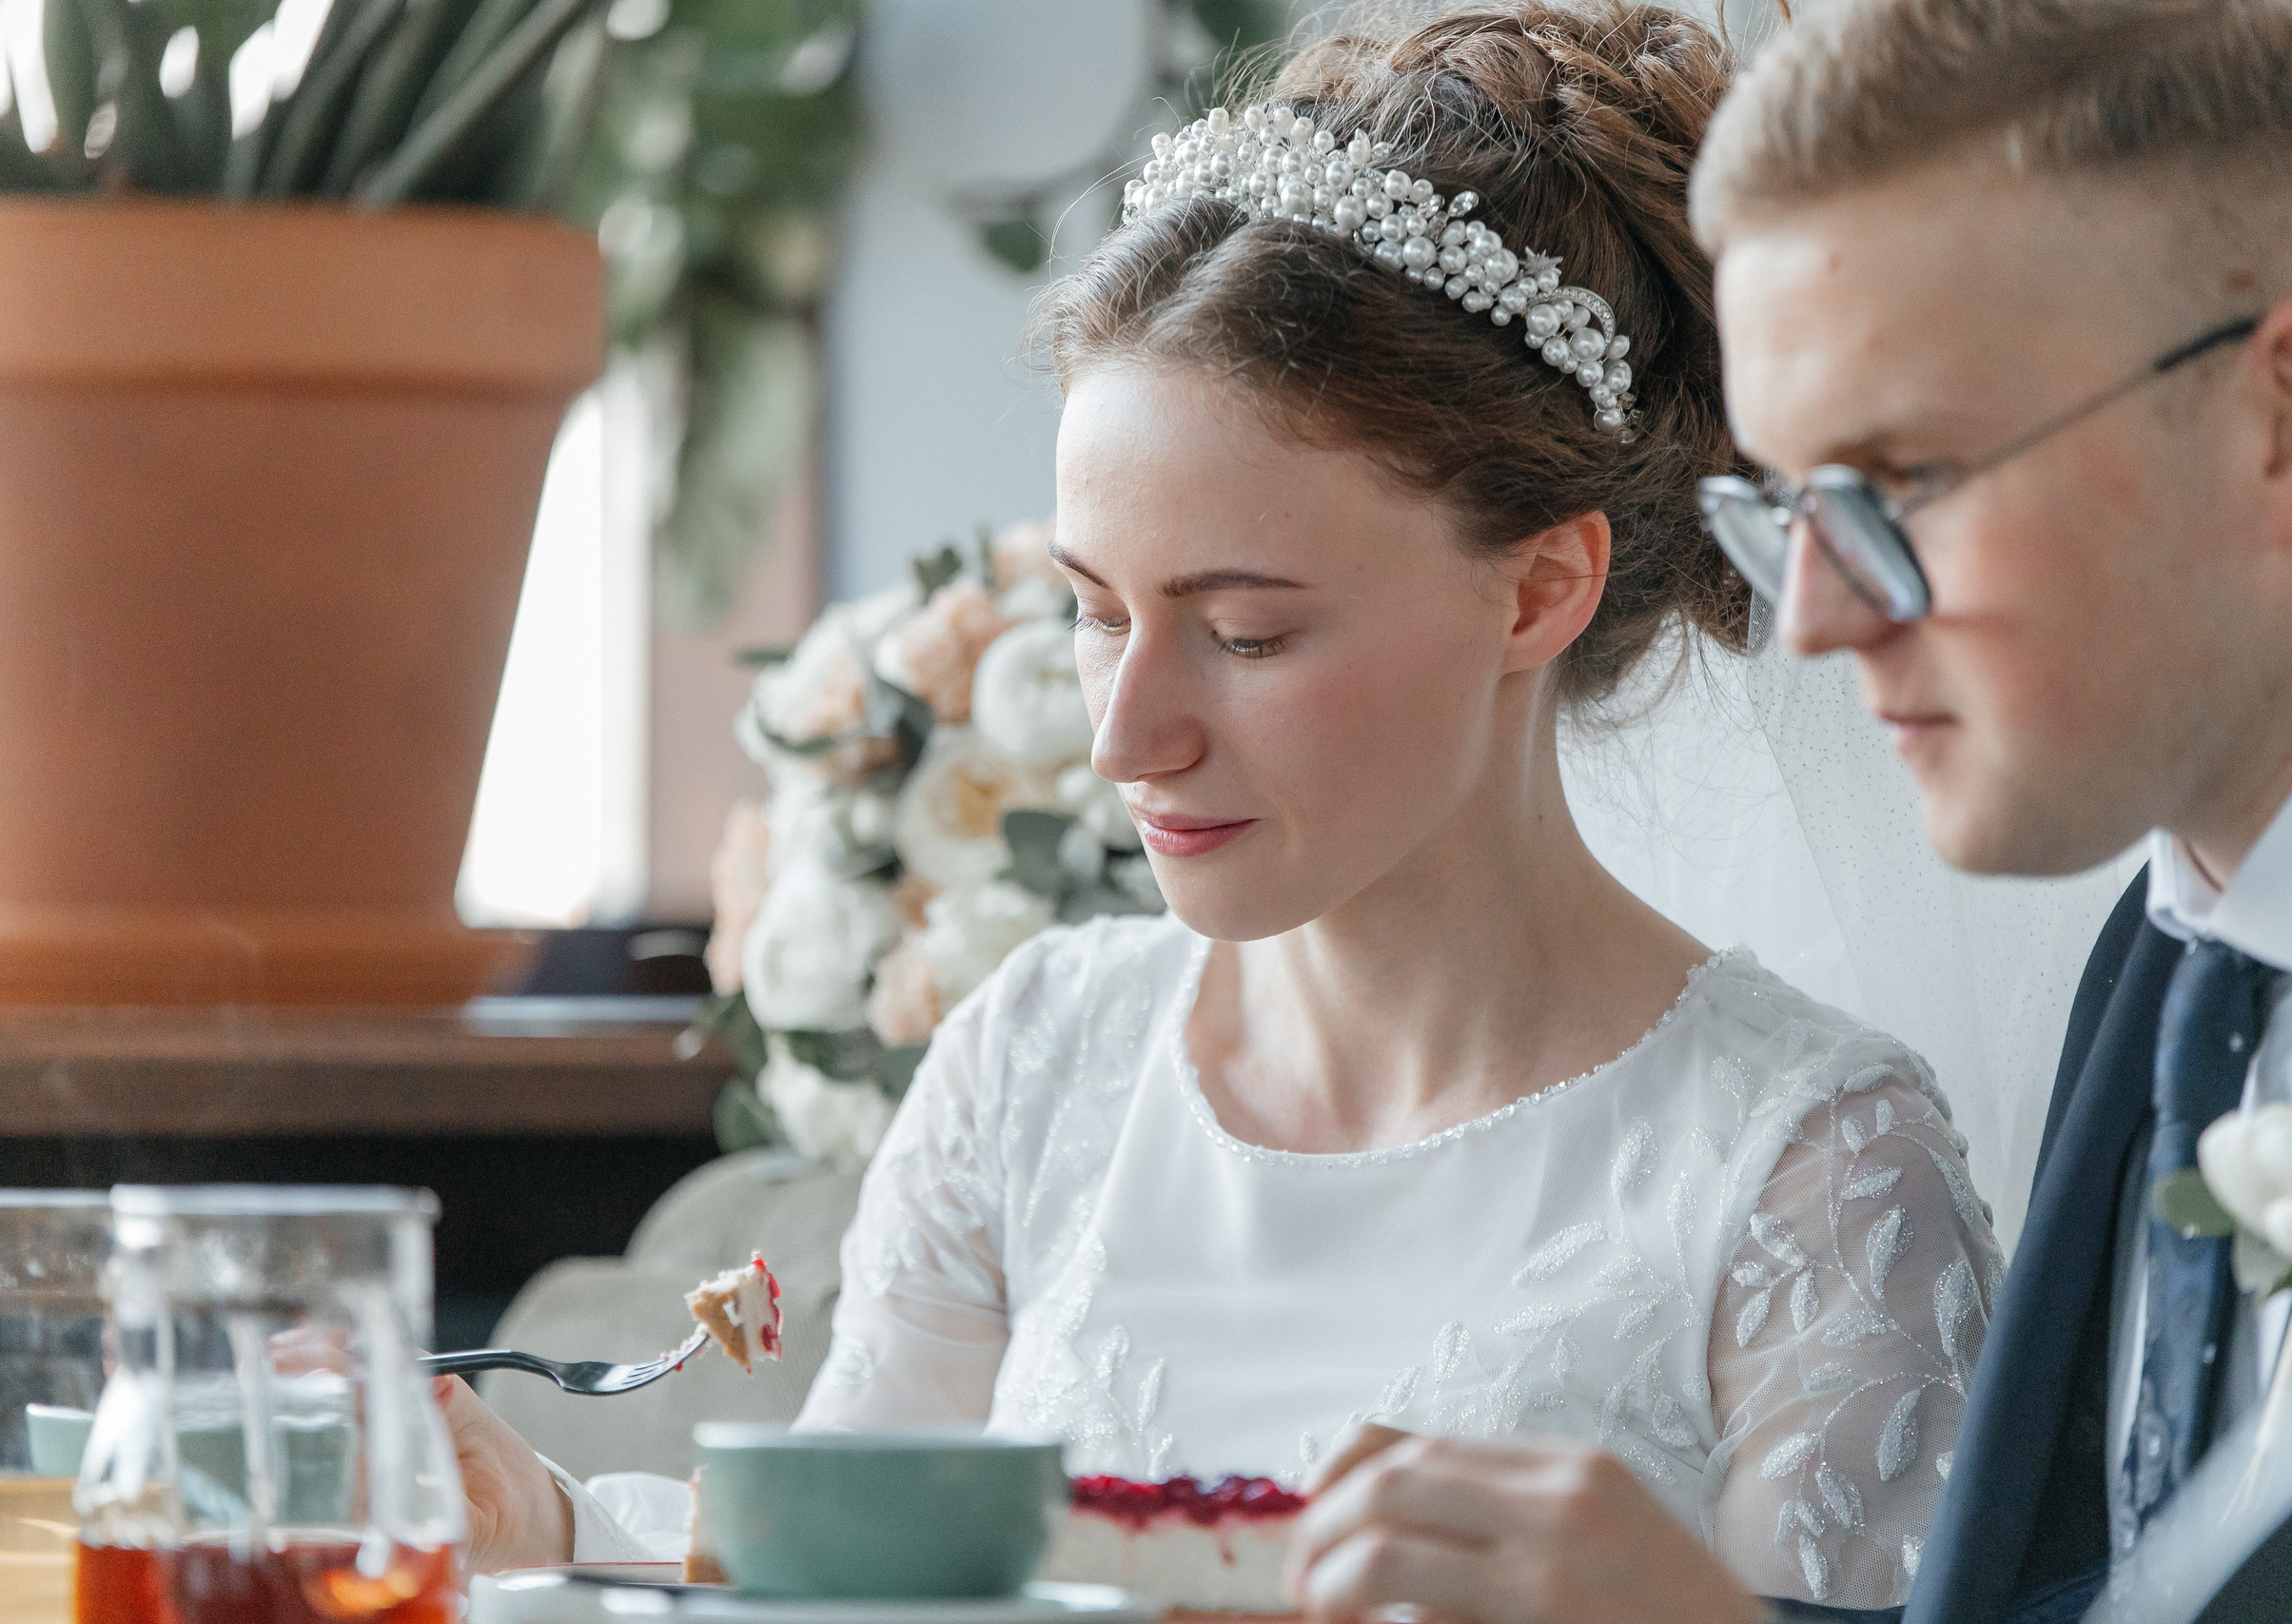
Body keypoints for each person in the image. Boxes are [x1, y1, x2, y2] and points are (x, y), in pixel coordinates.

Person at [436, 4, 2004, 1611]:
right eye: (1094, 611)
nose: (1126, 736)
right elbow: (833, 1588)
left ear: (1538, 591)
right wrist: (551, 1525)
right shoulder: (1038, 1058)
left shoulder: (1806, 1172)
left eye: (1246, 634)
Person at [1283, 1, 2292, 1621]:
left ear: (2288, 419)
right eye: (1793, 506)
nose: (1813, 619)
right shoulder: (2172, 957)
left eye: (1903, 487)